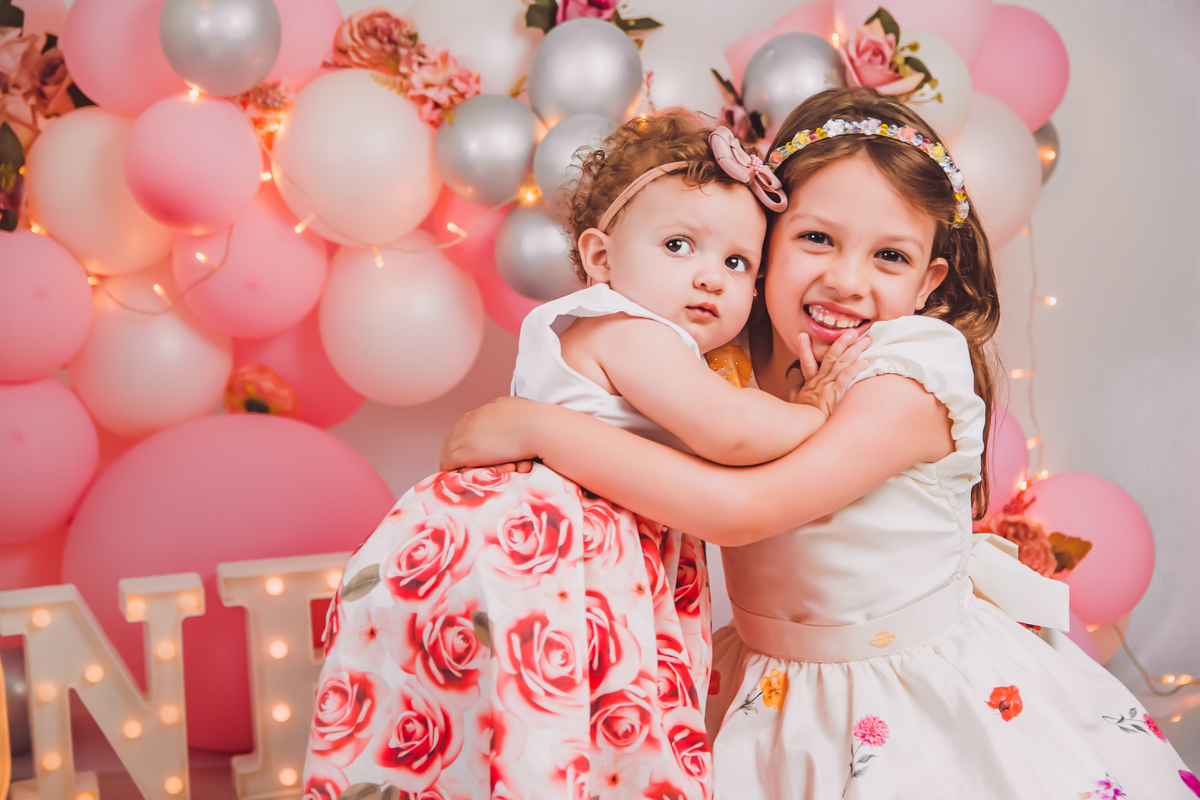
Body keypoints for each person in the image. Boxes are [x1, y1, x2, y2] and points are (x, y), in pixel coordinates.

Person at [440, 87, 1196, 799]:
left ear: (928, 279)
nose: (847, 280)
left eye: (890, 256)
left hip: (908, 686)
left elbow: (743, 511)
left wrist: (540, 428)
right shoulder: (719, 353)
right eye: (816, 238)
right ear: (766, 242)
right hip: (769, 686)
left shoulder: (910, 373)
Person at [301, 111, 871, 800]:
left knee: (515, 718)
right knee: (559, 708)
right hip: (549, 553)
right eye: (679, 245)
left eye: (737, 262)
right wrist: (815, 409)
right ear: (601, 258)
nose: (711, 278)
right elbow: (731, 433)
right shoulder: (630, 331)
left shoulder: (658, 343)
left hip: (552, 549)